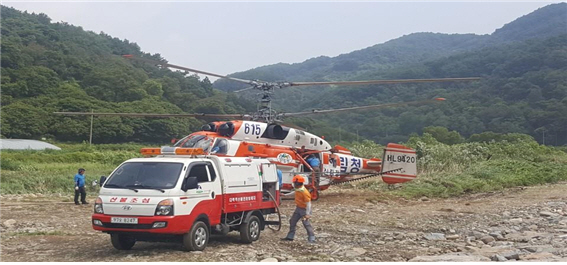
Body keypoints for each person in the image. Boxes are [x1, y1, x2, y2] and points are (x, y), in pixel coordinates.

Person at [281, 175, 316, 243]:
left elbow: (308, 204)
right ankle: (290, 236)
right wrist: (285, 195)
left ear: (297, 184)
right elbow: (294, 192)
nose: (293, 184)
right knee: (292, 221)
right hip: (298, 208)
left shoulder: (304, 192)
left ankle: (312, 238)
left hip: (304, 210)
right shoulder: (299, 189)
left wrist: (307, 214)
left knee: (306, 224)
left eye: (294, 183)